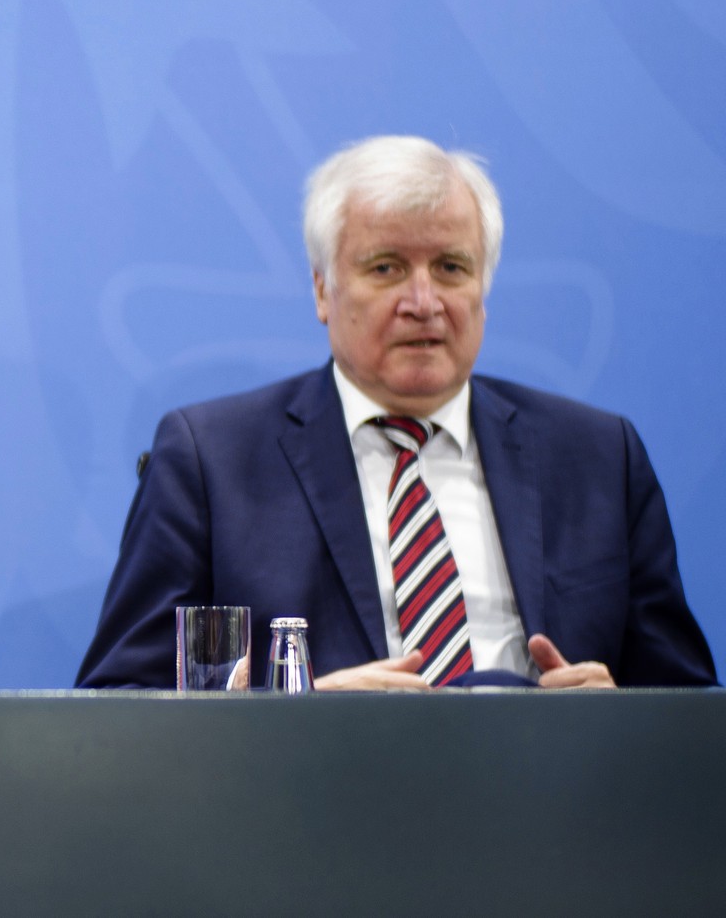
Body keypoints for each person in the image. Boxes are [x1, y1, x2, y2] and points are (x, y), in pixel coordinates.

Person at [77, 135, 716, 691]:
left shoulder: (599, 457)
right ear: (323, 290)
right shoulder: (212, 460)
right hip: (308, 815)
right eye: (386, 268)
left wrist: (620, 714)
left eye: (451, 268)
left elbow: (690, 719)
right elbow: (120, 703)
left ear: (484, 290)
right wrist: (296, 713)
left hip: (550, 813)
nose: (423, 301)